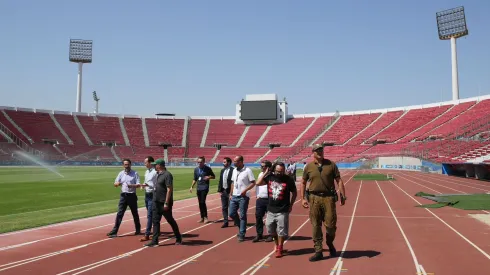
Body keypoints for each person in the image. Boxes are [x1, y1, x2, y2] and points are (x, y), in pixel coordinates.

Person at [301, 144, 346, 262]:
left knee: (331, 226)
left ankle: (330, 243)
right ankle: (318, 251)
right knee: (315, 225)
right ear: (313, 152)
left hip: (328, 198)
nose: (320, 152)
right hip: (314, 198)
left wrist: (342, 195)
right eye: (317, 150)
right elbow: (303, 182)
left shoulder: (331, 165)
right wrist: (302, 198)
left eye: (321, 150)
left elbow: (339, 180)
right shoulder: (309, 167)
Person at [256, 161, 297, 257]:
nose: (280, 173)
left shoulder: (288, 179)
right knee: (270, 229)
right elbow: (258, 183)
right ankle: (276, 244)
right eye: (278, 171)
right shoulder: (270, 177)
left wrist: (291, 205)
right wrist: (266, 173)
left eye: (282, 171)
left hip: (283, 209)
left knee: (281, 231)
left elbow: (294, 193)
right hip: (270, 209)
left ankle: (280, 247)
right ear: (274, 170)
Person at [145, 159, 182, 247]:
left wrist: (166, 203)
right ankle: (155, 241)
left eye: (155, 165)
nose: (154, 166)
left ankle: (178, 237)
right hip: (156, 201)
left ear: (160, 165)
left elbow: (169, 189)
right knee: (155, 221)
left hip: (164, 202)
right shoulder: (158, 174)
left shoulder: (167, 175)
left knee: (170, 220)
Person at [107, 158, 142, 238]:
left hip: (132, 196)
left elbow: (138, 184)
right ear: (123, 165)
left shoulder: (135, 173)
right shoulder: (121, 173)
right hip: (123, 196)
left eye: (128, 164)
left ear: (130, 164)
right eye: (125, 164)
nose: (126, 166)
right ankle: (114, 231)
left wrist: (132, 186)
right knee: (119, 214)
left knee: (135, 213)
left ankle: (138, 229)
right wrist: (117, 183)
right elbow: (115, 183)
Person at [229, 155, 256, 242]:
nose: (234, 163)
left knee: (243, 215)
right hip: (234, 195)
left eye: (236, 161)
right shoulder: (234, 170)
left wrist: (245, 190)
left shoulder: (247, 170)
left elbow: (253, 183)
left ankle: (242, 233)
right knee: (232, 213)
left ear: (241, 162)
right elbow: (233, 182)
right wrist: (231, 193)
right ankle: (241, 227)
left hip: (243, 196)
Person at [190, 156, 216, 223]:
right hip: (198, 187)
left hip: (205, 187)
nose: (199, 163)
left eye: (200, 162)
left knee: (202, 202)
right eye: (198, 162)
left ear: (204, 162)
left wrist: (209, 177)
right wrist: (191, 187)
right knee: (200, 203)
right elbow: (195, 178)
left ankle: (205, 217)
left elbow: (214, 176)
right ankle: (202, 217)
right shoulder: (196, 169)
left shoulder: (207, 169)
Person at [252, 160, 273, 243]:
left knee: (270, 218)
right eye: (261, 166)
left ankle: (271, 234)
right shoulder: (261, 174)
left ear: (268, 167)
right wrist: (257, 195)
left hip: (270, 199)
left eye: (263, 166)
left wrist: (267, 173)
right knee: (258, 216)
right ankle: (259, 234)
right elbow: (257, 184)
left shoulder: (272, 175)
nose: (261, 167)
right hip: (260, 199)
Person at [139, 156, 158, 242]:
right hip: (147, 195)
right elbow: (146, 181)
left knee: (150, 215)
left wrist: (147, 185)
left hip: (152, 194)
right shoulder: (147, 171)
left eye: (146, 162)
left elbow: (157, 184)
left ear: (150, 163)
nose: (144, 164)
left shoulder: (155, 172)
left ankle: (147, 234)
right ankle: (155, 231)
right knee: (151, 214)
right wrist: (143, 185)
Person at [217, 157, 234, 228]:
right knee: (224, 207)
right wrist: (220, 190)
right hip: (223, 191)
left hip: (230, 191)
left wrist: (231, 193)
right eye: (223, 162)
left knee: (232, 208)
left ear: (229, 163)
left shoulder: (233, 170)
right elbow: (220, 180)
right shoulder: (222, 170)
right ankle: (225, 222)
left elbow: (233, 182)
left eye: (224, 162)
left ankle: (236, 220)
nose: (223, 163)